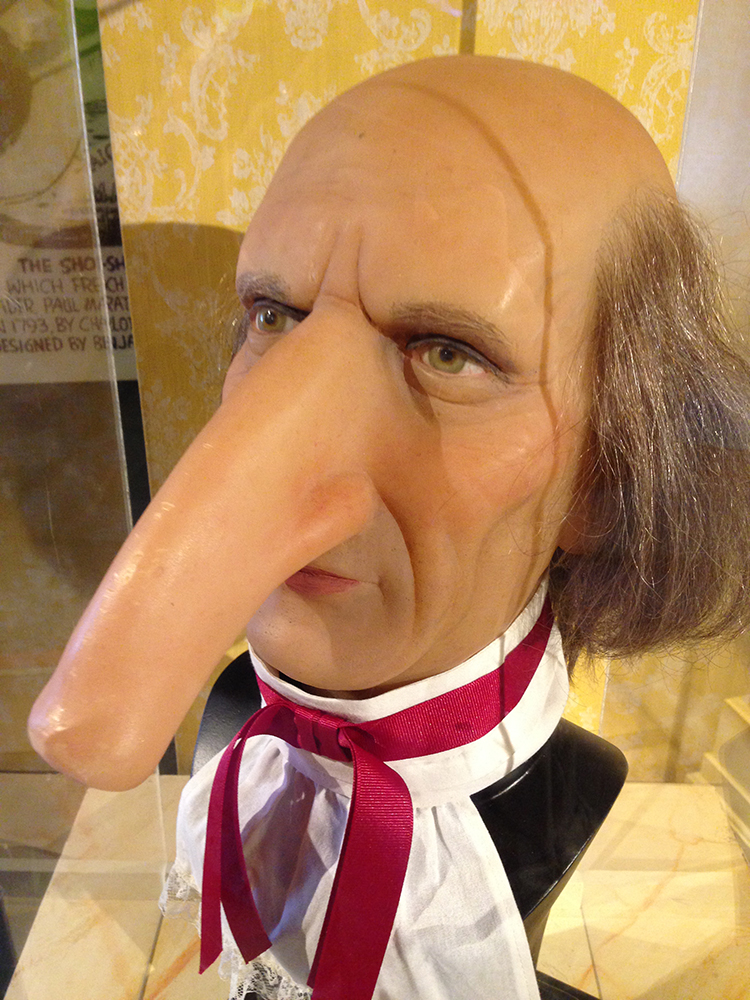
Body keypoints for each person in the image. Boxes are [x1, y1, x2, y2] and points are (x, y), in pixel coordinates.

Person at [28, 55, 750, 1000]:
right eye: (274, 315)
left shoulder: (571, 793)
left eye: (447, 353)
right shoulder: (241, 727)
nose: (283, 463)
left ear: (608, 474)